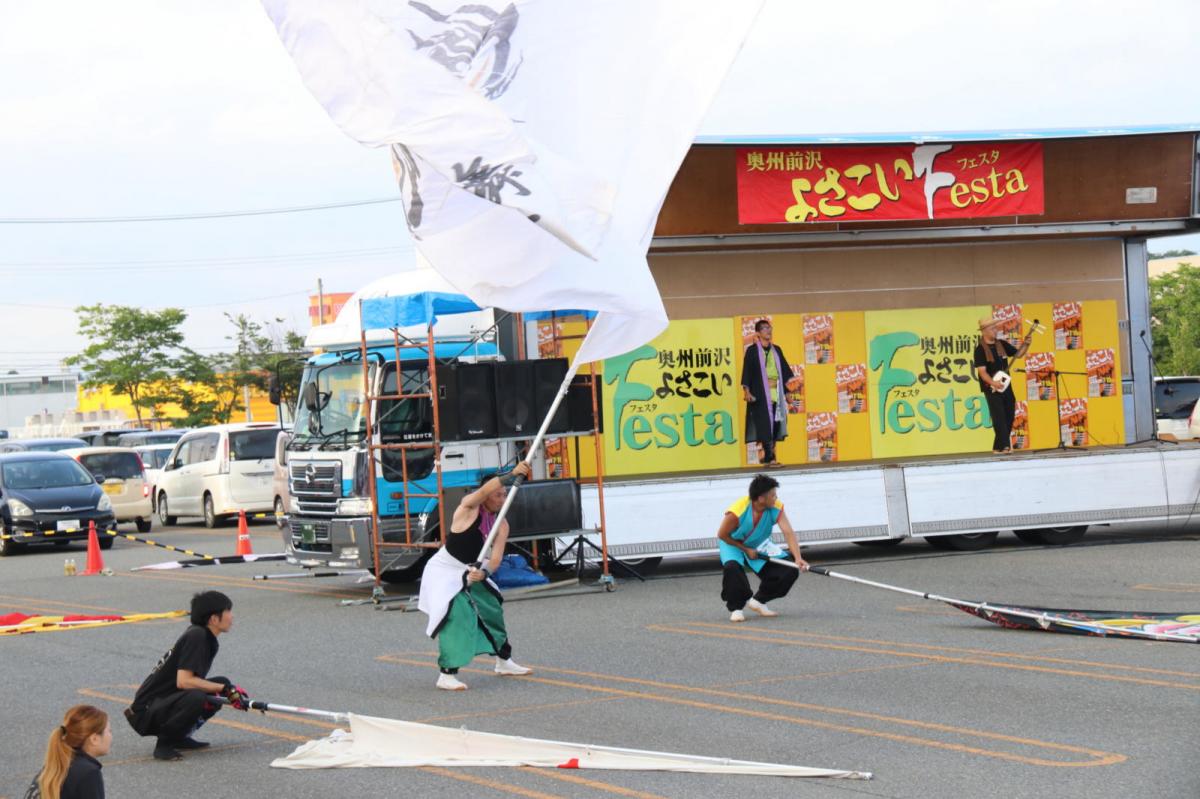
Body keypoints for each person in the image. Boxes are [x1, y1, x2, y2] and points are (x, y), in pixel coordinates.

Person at [418, 461, 534, 691]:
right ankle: (447, 674)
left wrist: (485, 572)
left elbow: (496, 558)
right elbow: (481, 492)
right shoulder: (468, 510)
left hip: (471, 570)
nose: (501, 499)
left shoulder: (502, 525)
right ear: (488, 494)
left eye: (504, 495)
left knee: (491, 606)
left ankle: (503, 660)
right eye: (497, 494)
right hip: (444, 570)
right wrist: (510, 475)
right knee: (458, 615)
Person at [124, 591, 250, 761]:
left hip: (163, 702)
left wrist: (224, 687)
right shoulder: (197, 636)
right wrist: (226, 689)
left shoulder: (203, 636)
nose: (232, 616)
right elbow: (184, 682)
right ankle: (164, 745)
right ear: (214, 618)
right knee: (197, 696)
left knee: (219, 684)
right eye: (228, 611)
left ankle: (179, 736)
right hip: (145, 712)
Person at [717, 474, 809, 623]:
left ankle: (759, 601)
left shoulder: (776, 507)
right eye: (773, 495)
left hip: (759, 544)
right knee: (732, 569)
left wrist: (798, 558)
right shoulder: (737, 511)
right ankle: (736, 608)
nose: (776, 498)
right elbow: (722, 534)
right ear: (761, 498)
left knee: (790, 570)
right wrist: (745, 549)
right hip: (732, 543)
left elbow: (788, 532)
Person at [741, 319, 799, 468]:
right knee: (765, 426)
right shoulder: (752, 351)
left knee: (775, 424)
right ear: (758, 333)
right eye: (765, 328)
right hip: (760, 394)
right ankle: (771, 458)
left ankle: (769, 458)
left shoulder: (777, 350)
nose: (768, 330)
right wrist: (746, 391)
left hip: (776, 393)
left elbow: (783, 374)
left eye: (769, 327)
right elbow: (747, 371)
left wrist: (787, 395)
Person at [973, 317, 1032, 454]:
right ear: (984, 331)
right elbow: (982, 372)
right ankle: (1005, 446)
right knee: (999, 416)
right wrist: (994, 383)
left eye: (995, 327)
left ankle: (997, 447)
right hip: (992, 388)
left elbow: (1018, 355)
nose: (996, 330)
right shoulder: (980, 350)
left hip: (1006, 386)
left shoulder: (1002, 344)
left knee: (1009, 415)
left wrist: (1026, 345)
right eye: (992, 328)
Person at [27, 704, 111, 799]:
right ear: (94, 739)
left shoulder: (58, 764)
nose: (111, 736)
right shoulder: (88, 773)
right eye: (109, 731)